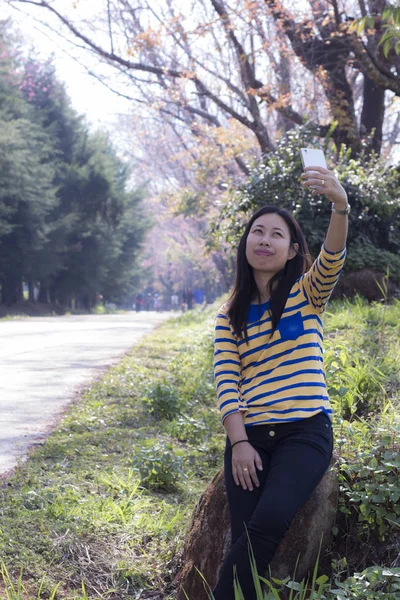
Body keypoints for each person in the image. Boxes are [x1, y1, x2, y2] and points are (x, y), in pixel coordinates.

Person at [212, 165, 349, 599]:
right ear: (246, 243)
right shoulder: (227, 315)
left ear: (292, 250)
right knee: (244, 540)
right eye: (258, 231)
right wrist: (239, 444)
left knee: (267, 523)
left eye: (276, 234)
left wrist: (339, 205)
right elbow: (227, 382)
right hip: (252, 434)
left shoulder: (306, 294)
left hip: (305, 431)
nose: (265, 240)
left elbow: (332, 257)